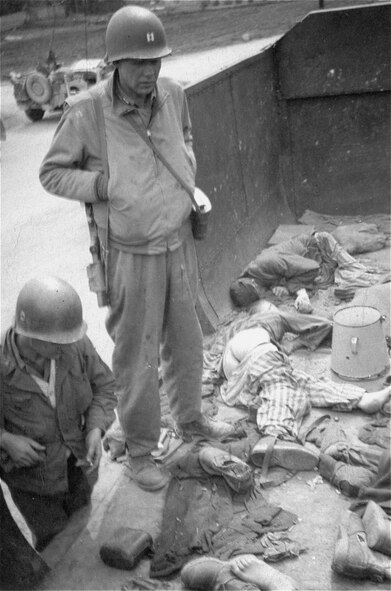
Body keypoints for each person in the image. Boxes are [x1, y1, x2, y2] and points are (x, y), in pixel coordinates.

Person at [39, 6, 234, 492]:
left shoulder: (173, 94)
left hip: (178, 242)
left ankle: (191, 423)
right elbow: (51, 173)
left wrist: (186, 170)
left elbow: (184, 138)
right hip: (129, 254)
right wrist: (105, 184)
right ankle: (143, 451)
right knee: (138, 358)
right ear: (115, 63)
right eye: (139, 63)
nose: (150, 72)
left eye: (156, 61)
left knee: (187, 343)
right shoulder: (87, 112)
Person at [0, 277, 117, 551]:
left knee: (81, 531)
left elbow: (105, 386)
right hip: (34, 485)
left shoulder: (72, 343)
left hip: (79, 467)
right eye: (56, 342)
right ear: (29, 334)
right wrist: (5, 439)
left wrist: (95, 429)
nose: (65, 348)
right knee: (54, 547)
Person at [218, 304, 391, 469]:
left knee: (302, 383)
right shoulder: (272, 316)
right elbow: (324, 324)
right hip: (254, 349)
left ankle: (362, 399)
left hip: (235, 373)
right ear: (268, 308)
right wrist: (294, 344)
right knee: (281, 385)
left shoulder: (237, 328)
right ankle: (274, 435)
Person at [229, 231, 387, 313]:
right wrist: (279, 286)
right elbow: (280, 276)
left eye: (259, 292)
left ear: (253, 284)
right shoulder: (256, 275)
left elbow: (311, 267)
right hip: (314, 259)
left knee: (358, 278)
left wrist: (298, 292)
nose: (263, 293)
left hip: (322, 247)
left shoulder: (267, 262)